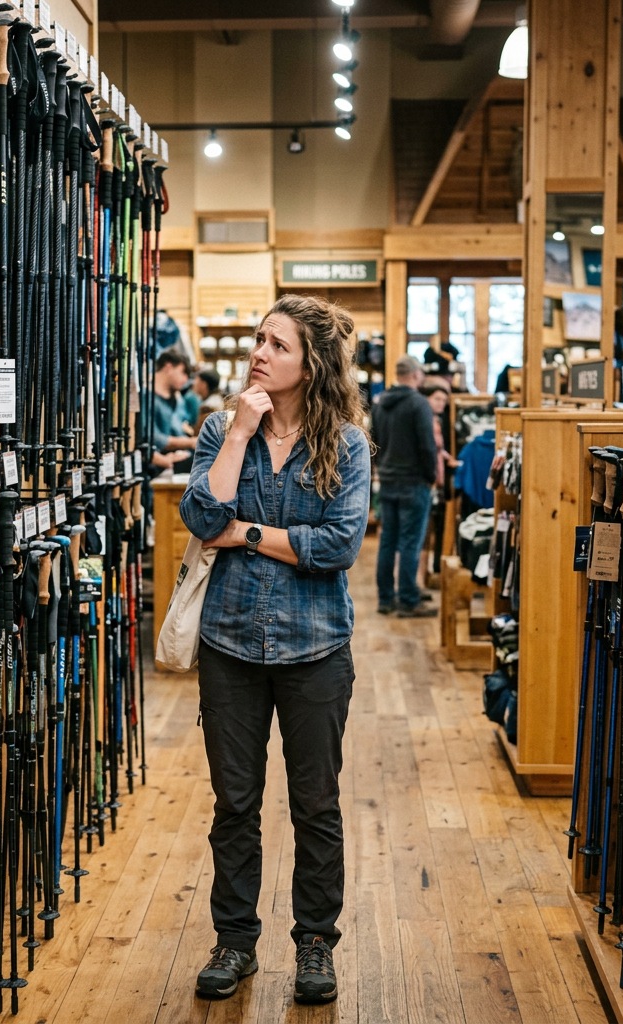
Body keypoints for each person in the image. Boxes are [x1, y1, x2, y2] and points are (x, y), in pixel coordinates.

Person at [180, 294, 370, 1006]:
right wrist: (237, 434)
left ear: (311, 362)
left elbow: (338, 547)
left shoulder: (346, 445)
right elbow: (202, 517)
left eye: (277, 345)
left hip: (316, 647)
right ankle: (235, 941)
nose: (259, 353)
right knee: (235, 803)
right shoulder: (219, 430)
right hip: (229, 644)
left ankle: (315, 941)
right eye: (259, 340)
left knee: (315, 803)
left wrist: (250, 533)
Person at [371, 354, 438, 617]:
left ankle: (386, 599)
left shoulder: (380, 404)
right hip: (413, 481)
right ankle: (409, 599)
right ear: (414, 374)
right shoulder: (418, 404)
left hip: (388, 480)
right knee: (411, 542)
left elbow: (375, 443)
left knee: (388, 541)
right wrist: (431, 476)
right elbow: (426, 445)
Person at [424, 384, 458, 577]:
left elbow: (437, 448)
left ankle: (434, 569)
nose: (441, 404)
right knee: (425, 532)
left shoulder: (438, 420)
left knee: (436, 527)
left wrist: (446, 457)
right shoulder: (426, 419)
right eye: (437, 399)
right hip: (428, 481)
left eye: (444, 401)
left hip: (438, 480)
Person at [153, 347, 198, 460]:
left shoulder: (176, 398)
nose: (186, 379)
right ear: (168, 367)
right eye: (183, 372)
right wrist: (191, 442)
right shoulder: (146, 396)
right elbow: (154, 437)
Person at [192, 367, 225, 433]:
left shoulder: (208, 407)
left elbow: (200, 434)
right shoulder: (216, 399)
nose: (193, 383)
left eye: (196, 380)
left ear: (203, 384)